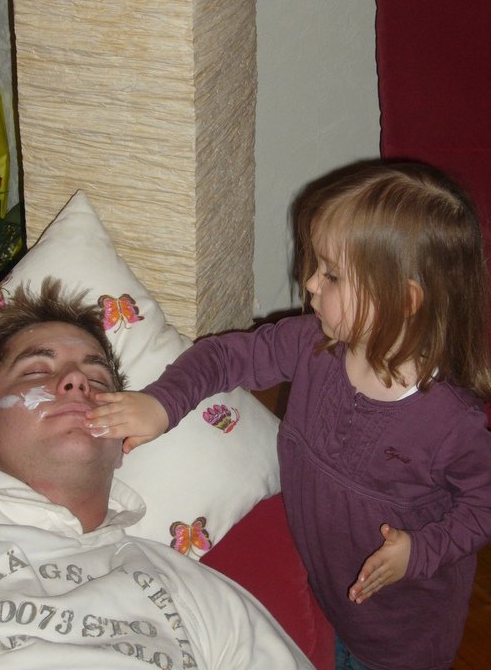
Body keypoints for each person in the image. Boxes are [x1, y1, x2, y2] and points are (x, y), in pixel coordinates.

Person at [90, 160, 491, 670]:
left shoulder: (449, 422)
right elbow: (224, 356)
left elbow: (483, 504)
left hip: (400, 635)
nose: (310, 283)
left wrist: (421, 551)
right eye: (316, 266)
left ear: (404, 300)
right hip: (325, 590)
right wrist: (162, 403)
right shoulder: (312, 345)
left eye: (332, 275)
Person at [0, 278, 313, 670]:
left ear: (121, 443)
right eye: (37, 371)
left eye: (97, 378)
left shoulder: (197, 595)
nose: (76, 380)